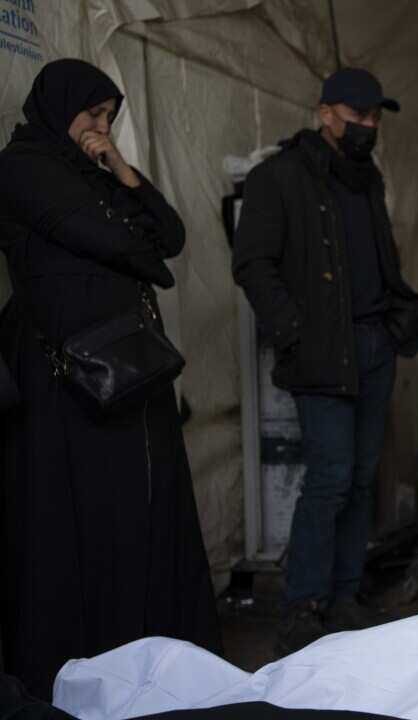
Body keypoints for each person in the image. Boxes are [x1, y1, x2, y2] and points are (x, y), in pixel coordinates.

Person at [0, 58, 220, 699]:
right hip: (65, 373)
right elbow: (126, 247)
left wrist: (121, 168)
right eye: (92, 114)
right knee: (80, 522)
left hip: (127, 368)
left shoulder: (92, 175)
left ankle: (145, 661)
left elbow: (169, 237)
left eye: (109, 117)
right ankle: (79, 669)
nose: (100, 128)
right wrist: (132, 227)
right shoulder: (21, 168)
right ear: (57, 106)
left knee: (142, 514)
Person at [232, 67, 418, 654]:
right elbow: (252, 264)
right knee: (330, 478)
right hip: (322, 351)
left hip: (372, 344)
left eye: (374, 118)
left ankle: (345, 597)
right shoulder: (279, 177)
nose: (368, 127)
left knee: (362, 477)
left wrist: (398, 317)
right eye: (357, 116)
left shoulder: (365, 177)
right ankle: (303, 606)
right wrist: (294, 328)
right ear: (325, 114)